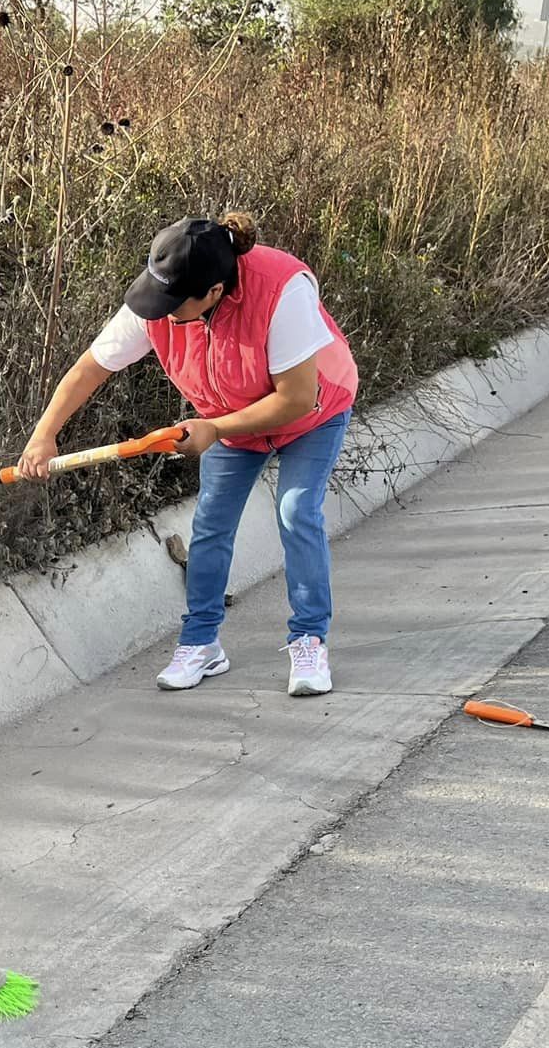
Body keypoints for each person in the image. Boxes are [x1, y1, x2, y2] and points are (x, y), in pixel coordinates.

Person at [18, 212, 359, 697]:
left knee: (296, 510)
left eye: (174, 305)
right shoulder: (160, 298)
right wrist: (43, 435)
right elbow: (90, 368)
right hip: (228, 421)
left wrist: (213, 428)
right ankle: (202, 643)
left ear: (215, 292)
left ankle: (308, 640)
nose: (161, 313)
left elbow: (296, 398)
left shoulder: (283, 290)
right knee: (211, 525)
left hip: (312, 412)